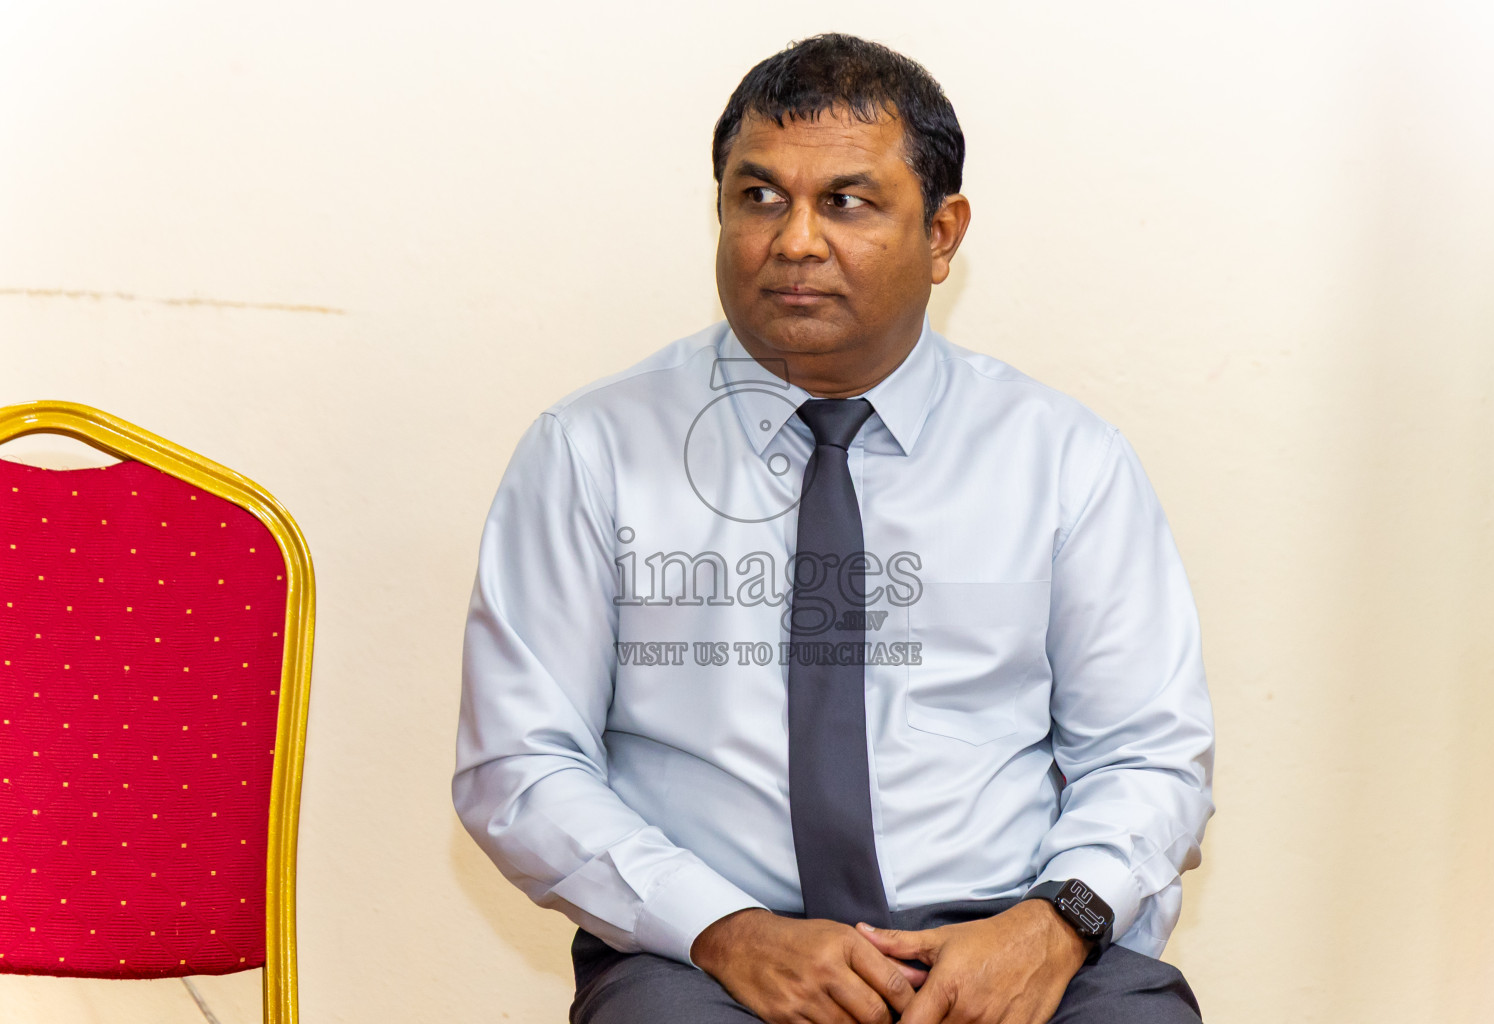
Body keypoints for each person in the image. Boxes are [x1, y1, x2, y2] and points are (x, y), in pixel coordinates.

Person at [453, 33, 1214, 1024]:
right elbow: (518, 762)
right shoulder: (591, 450)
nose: (795, 239)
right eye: (758, 197)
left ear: (943, 235)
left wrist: (1052, 926)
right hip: (714, 951)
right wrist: (725, 930)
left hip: (1006, 927)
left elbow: (1147, 755)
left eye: (846, 202)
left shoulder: (1065, 458)